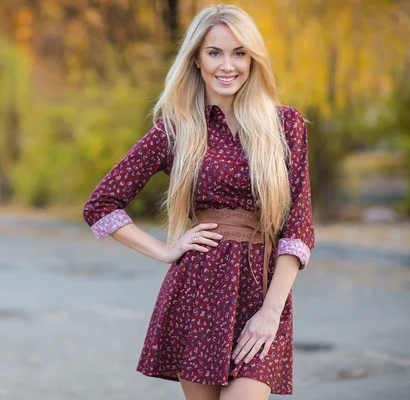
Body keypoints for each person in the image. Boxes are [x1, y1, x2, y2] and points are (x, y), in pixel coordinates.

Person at [82, 4, 314, 400]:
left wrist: (271, 312)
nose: (228, 65)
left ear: (253, 59)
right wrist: (165, 250)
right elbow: (100, 205)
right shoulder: (176, 131)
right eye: (214, 52)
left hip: (263, 293)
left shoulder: (285, 125)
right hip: (199, 291)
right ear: (196, 59)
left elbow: (299, 226)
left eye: (239, 52)